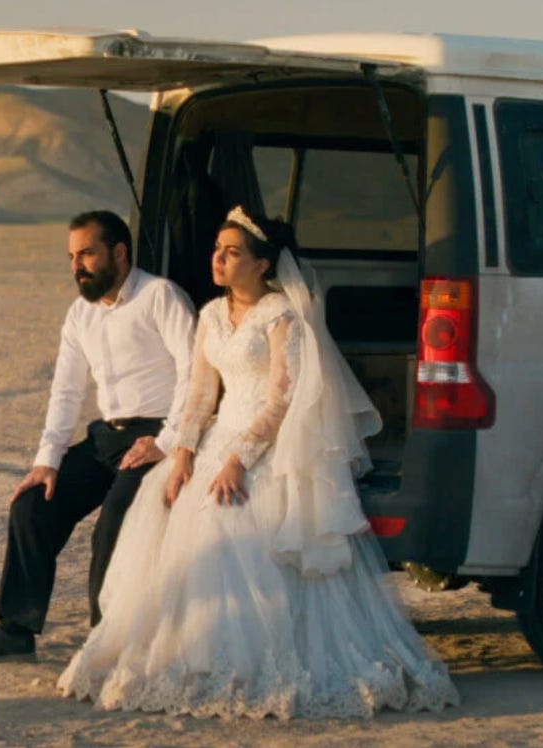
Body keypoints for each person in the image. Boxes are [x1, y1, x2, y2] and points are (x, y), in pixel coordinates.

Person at [58, 206, 460, 719]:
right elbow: (200, 395)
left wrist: (239, 460)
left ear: (262, 264)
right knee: (166, 506)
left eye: (232, 252)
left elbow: (280, 401)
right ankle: (185, 651)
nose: (218, 259)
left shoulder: (281, 316)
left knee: (233, 519)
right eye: (217, 250)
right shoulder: (209, 315)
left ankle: (251, 661)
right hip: (217, 436)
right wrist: (182, 454)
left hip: (267, 444)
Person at [0, 210, 197, 666]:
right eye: (71, 257)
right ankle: (16, 631)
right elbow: (65, 390)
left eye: (86, 254)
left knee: (112, 524)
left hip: (156, 436)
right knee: (31, 506)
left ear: (119, 254)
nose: (77, 266)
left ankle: (106, 644)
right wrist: (48, 461)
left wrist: (167, 440)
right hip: (107, 438)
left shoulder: (160, 296)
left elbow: (193, 373)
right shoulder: (80, 314)